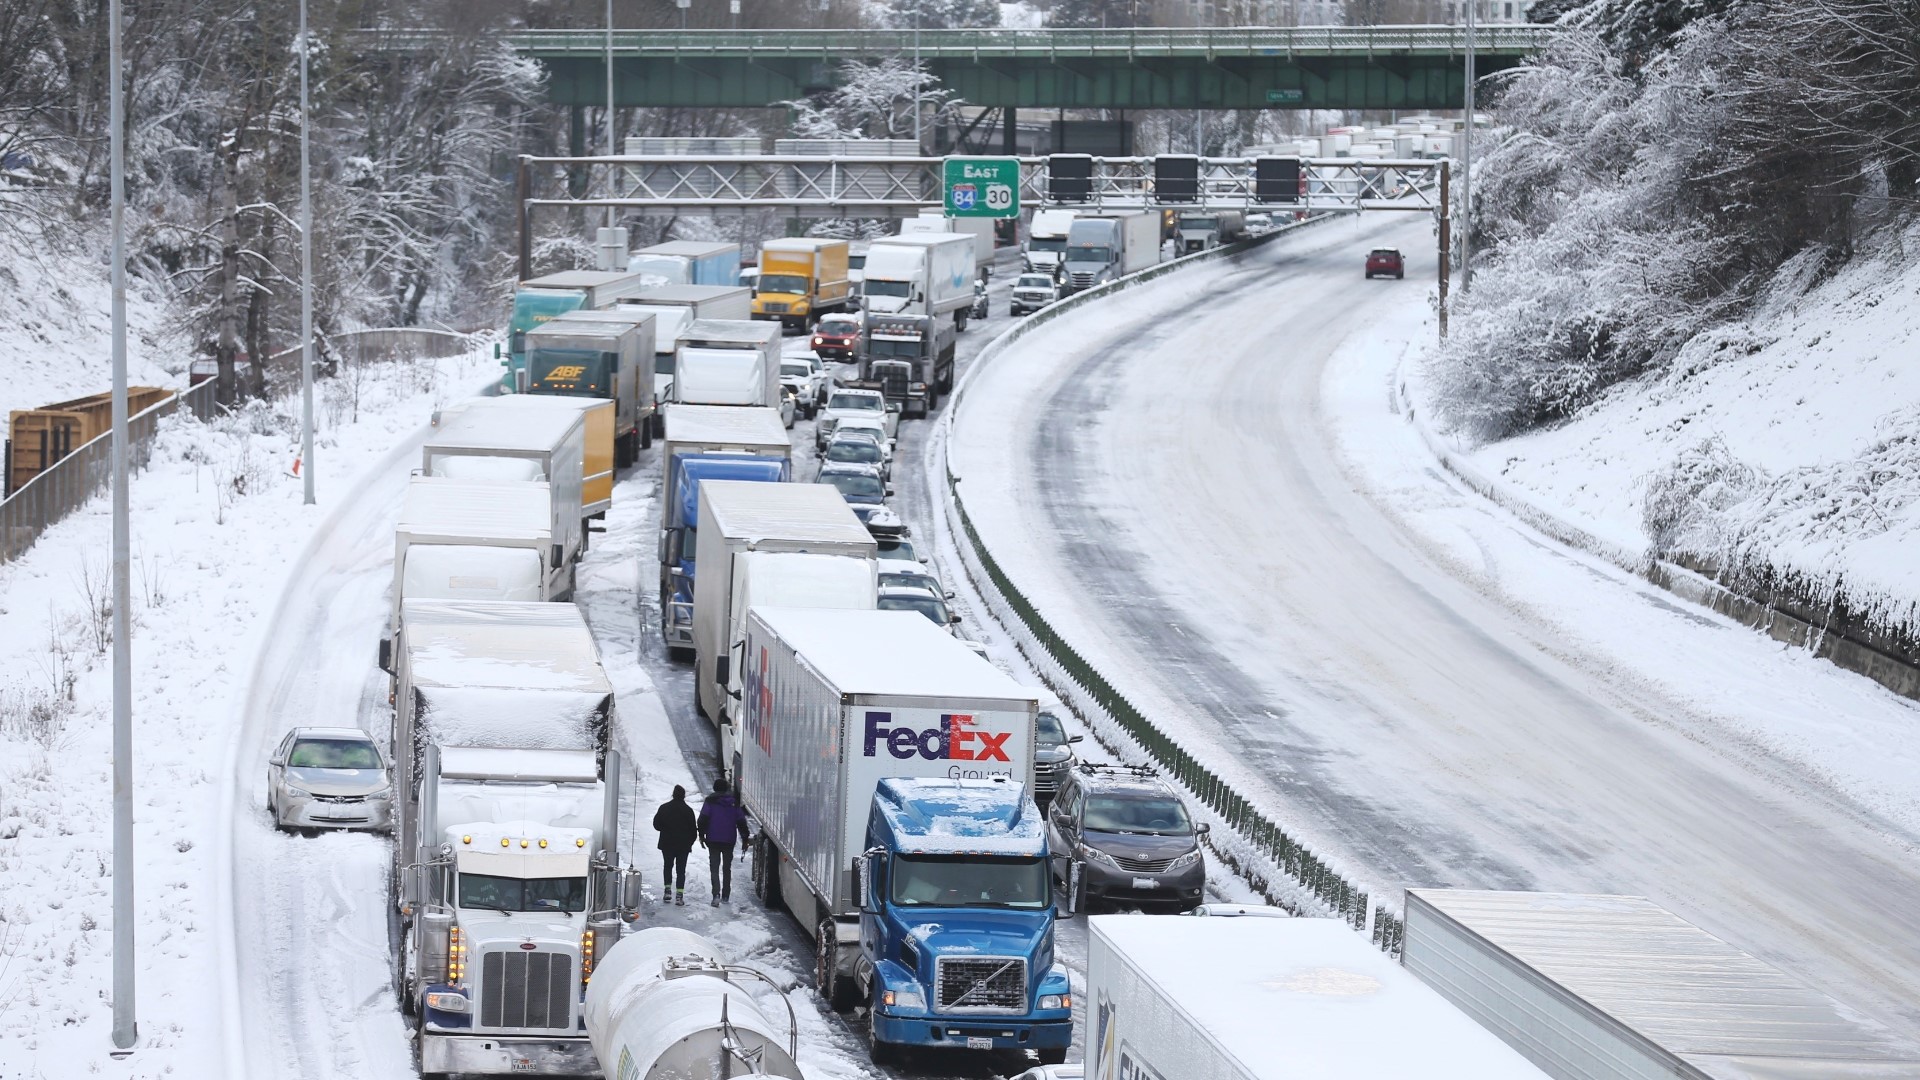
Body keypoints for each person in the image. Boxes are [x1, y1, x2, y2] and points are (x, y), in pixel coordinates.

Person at [696, 777, 752, 905]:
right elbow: (741, 821)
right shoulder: (734, 802)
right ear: (726, 788)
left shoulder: (710, 801)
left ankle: (716, 894)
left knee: (714, 868)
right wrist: (745, 837)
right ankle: (726, 895)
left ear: (715, 788)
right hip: (729, 840)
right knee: (727, 868)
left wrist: (701, 834)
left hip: (713, 839)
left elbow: (702, 819)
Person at [653, 785, 698, 906]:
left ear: (673, 794)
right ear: (684, 795)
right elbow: (694, 831)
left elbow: (656, 825)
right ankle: (679, 895)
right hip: (683, 846)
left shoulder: (664, 808)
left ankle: (667, 890)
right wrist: (689, 842)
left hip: (667, 843)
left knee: (668, 866)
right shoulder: (688, 811)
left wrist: (666, 829)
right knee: (681, 870)